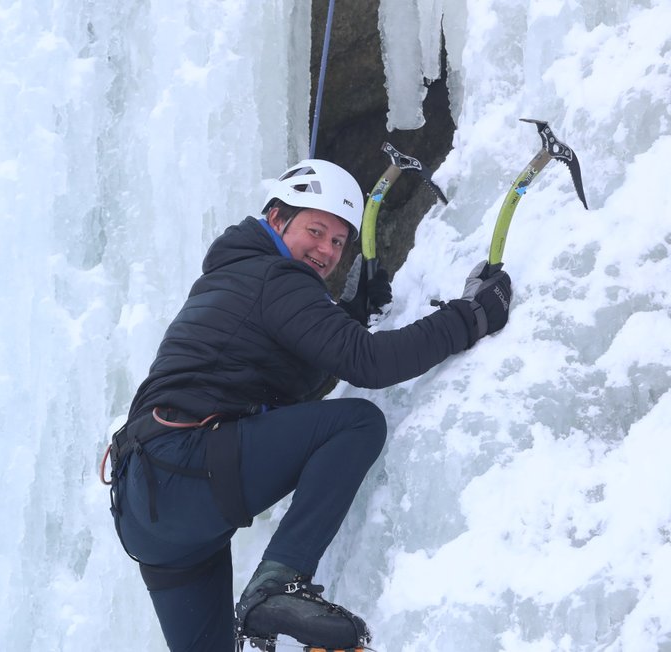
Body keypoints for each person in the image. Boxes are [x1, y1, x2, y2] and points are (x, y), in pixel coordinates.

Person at [108, 159, 512, 651]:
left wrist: (350, 314)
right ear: (277, 219)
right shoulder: (274, 276)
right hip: (185, 467)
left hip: (143, 507)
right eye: (316, 231)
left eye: (338, 242)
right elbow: (369, 363)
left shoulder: (236, 275)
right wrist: (471, 317)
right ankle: (278, 582)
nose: (326, 250)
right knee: (356, 424)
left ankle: (269, 594)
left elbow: (286, 375)